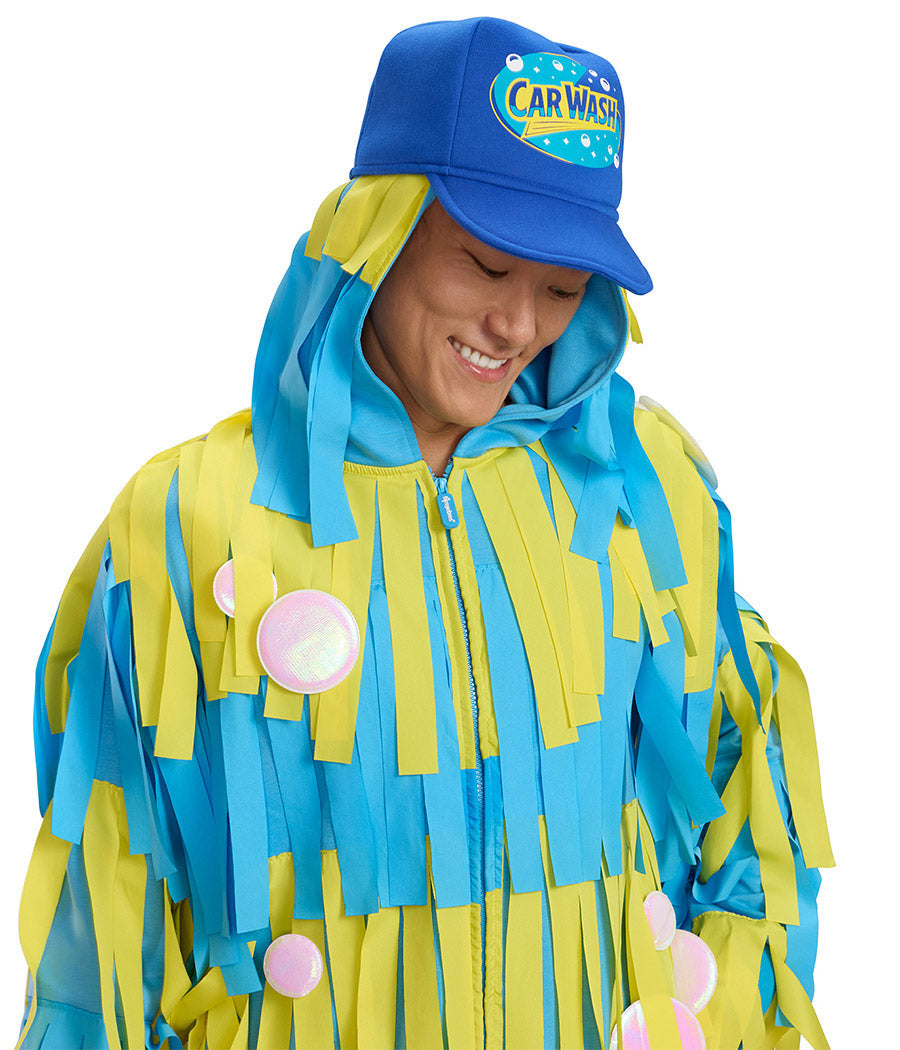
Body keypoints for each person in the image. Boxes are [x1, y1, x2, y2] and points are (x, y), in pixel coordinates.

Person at [15, 16, 833, 1050]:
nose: (518, 325)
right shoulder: (186, 521)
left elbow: (747, 800)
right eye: (485, 268)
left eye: (562, 287)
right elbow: (106, 917)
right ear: (381, 232)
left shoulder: (640, 486)